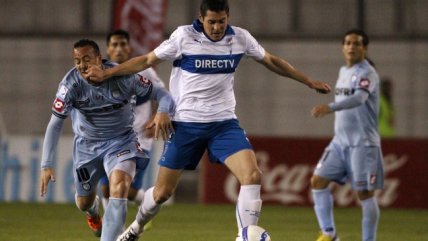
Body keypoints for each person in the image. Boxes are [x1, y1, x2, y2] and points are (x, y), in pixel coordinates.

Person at [85, 0, 331, 240]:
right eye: (211, 22)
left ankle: (244, 236)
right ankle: (136, 228)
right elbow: (147, 60)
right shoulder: (183, 37)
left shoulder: (240, 38)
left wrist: (308, 81)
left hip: (224, 125)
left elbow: (271, 61)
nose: (217, 27)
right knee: (161, 193)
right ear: (201, 19)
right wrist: (108, 73)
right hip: (184, 125)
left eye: (222, 21)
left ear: (228, 18)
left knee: (252, 176)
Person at [39, 39, 174, 241]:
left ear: (99, 58)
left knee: (118, 188)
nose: (82, 65)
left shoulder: (124, 77)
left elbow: (162, 93)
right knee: (83, 202)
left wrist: (162, 111)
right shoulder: (70, 85)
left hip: (121, 141)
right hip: (87, 146)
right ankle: (92, 213)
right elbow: (55, 123)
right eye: (77, 61)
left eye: (87, 59)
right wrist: (46, 164)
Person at [310, 29, 384, 241]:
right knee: (317, 181)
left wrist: (330, 107)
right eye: (348, 43)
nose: (352, 47)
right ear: (342, 47)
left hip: (363, 144)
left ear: (365, 48)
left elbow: (360, 99)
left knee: (364, 194)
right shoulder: (343, 71)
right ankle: (329, 234)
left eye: (357, 43)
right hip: (340, 142)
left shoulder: (368, 73)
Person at [98, 30, 167, 229]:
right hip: (110, 140)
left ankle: (146, 204)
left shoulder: (144, 71)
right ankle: (111, 228)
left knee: (123, 188)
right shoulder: (101, 73)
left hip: (138, 141)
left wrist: (155, 116)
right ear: (108, 49)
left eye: (122, 44)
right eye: (114, 44)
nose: (119, 49)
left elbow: (161, 93)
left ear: (129, 47)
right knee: (105, 189)